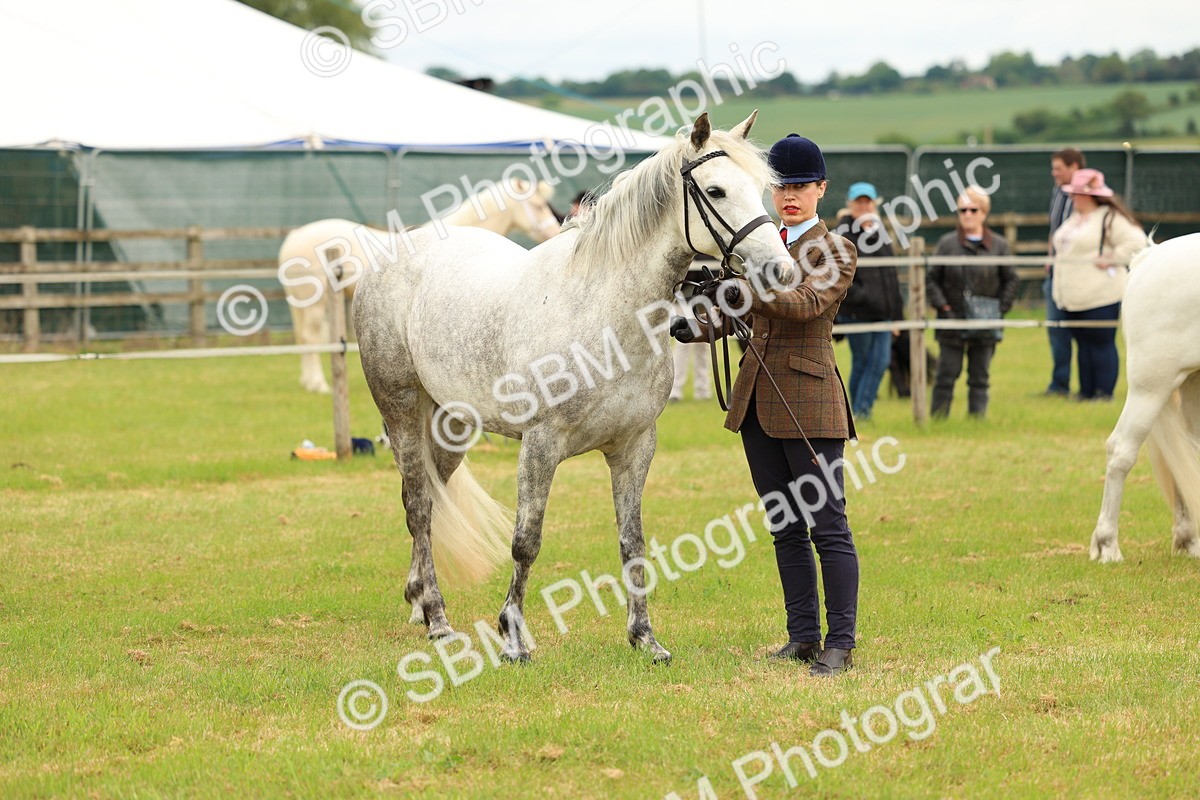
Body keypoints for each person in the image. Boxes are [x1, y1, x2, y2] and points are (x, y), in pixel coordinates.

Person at [674, 134, 859, 677]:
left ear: (821, 189)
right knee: (784, 526)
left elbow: (803, 305)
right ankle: (801, 636)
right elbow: (739, 315)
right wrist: (695, 321)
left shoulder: (835, 250)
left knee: (828, 525)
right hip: (756, 401)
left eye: (801, 186)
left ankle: (840, 641)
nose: (791, 196)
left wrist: (742, 286)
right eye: (782, 187)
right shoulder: (759, 245)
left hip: (810, 400)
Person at [1052, 168, 1148, 402]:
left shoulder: (1110, 217)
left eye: (1077, 193)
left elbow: (1137, 242)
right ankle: (1086, 391)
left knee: (1101, 343)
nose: (1073, 197)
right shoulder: (1075, 218)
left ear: (1090, 195)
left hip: (1101, 295)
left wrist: (1113, 257)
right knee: (1083, 343)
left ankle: (1104, 392)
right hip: (1072, 296)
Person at [927, 185, 1018, 419]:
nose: (967, 214)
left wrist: (999, 309)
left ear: (984, 213)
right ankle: (938, 420)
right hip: (952, 319)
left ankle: (977, 419)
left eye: (973, 210)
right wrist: (944, 307)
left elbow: (1011, 280)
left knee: (980, 376)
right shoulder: (946, 245)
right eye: (962, 210)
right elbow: (931, 279)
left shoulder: (999, 246)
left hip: (985, 321)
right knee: (946, 374)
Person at [833, 182, 904, 421]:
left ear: (874, 204)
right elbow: (840, 276)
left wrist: (896, 315)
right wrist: (864, 297)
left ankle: (862, 411)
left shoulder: (880, 233)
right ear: (850, 205)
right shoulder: (843, 235)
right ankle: (859, 413)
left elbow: (890, 275)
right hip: (857, 312)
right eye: (859, 202)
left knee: (881, 361)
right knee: (862, 361)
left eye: (868, 202)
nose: (864, 207)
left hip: (883, 313)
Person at [1044, 148, 1086, 397]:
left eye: (1058, 168)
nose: (1054, 173)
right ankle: (1059, 384)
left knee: (1084, 333)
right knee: (1056, 330)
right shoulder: (1057, 192)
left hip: (1078, 275)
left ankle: (1089, 387)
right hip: (1055, 273)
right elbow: (1054, 229)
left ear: (1074, 167)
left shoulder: (1089, 197)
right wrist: (1049, 259)